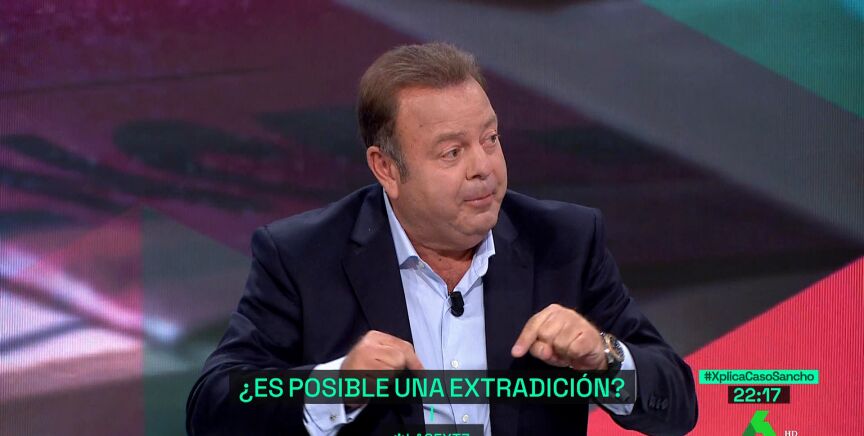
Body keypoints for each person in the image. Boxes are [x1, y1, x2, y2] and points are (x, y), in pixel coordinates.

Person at [186, 42, 697, 436]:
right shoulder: (303, 257)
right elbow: (214, 408)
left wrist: (605, 358)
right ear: (387, 169)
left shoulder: (564, 242)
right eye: (452, 152)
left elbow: (677, 403)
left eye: (490, 139)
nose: (483, 167)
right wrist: (336, 385)